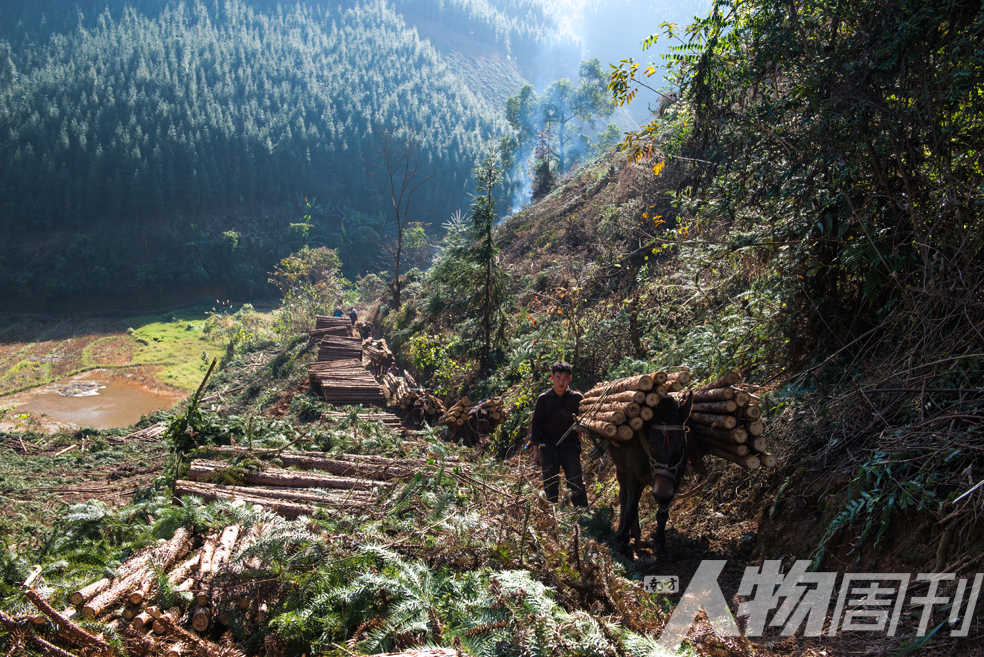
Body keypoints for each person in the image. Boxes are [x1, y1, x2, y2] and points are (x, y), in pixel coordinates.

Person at [527, 360, 588, 507]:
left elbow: (584, 422)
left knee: (575, 480)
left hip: (570, 446)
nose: (561, 382)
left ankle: (582, 514)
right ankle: (552, 515)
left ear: (570, 379)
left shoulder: (577, 398)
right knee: (550, 483)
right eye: (558, 378)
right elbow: (536, 425)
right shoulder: (543, 399)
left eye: (565, 378)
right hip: (548, 447)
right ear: (552, 377)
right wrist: (536, 451)